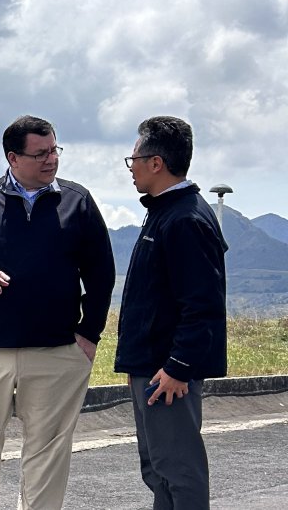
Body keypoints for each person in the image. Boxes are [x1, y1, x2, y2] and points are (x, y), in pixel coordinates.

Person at [0, 115, 115, 510]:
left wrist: (89, 334)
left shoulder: (78, 201)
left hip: (58, 353)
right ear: (13, 158)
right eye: (40, 153)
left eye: (54, 150)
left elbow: (101, 273)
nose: (51, 160)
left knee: (48, 454)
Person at [114, 116, 227, 509]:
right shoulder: (165, 211)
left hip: (167, 372)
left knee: (178, 469)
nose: (132, 169)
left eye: (134, 160)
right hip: (152, 366)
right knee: (158, 468)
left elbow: (203, 303)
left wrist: (179, 366)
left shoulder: (185, 219)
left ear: (156, 162)